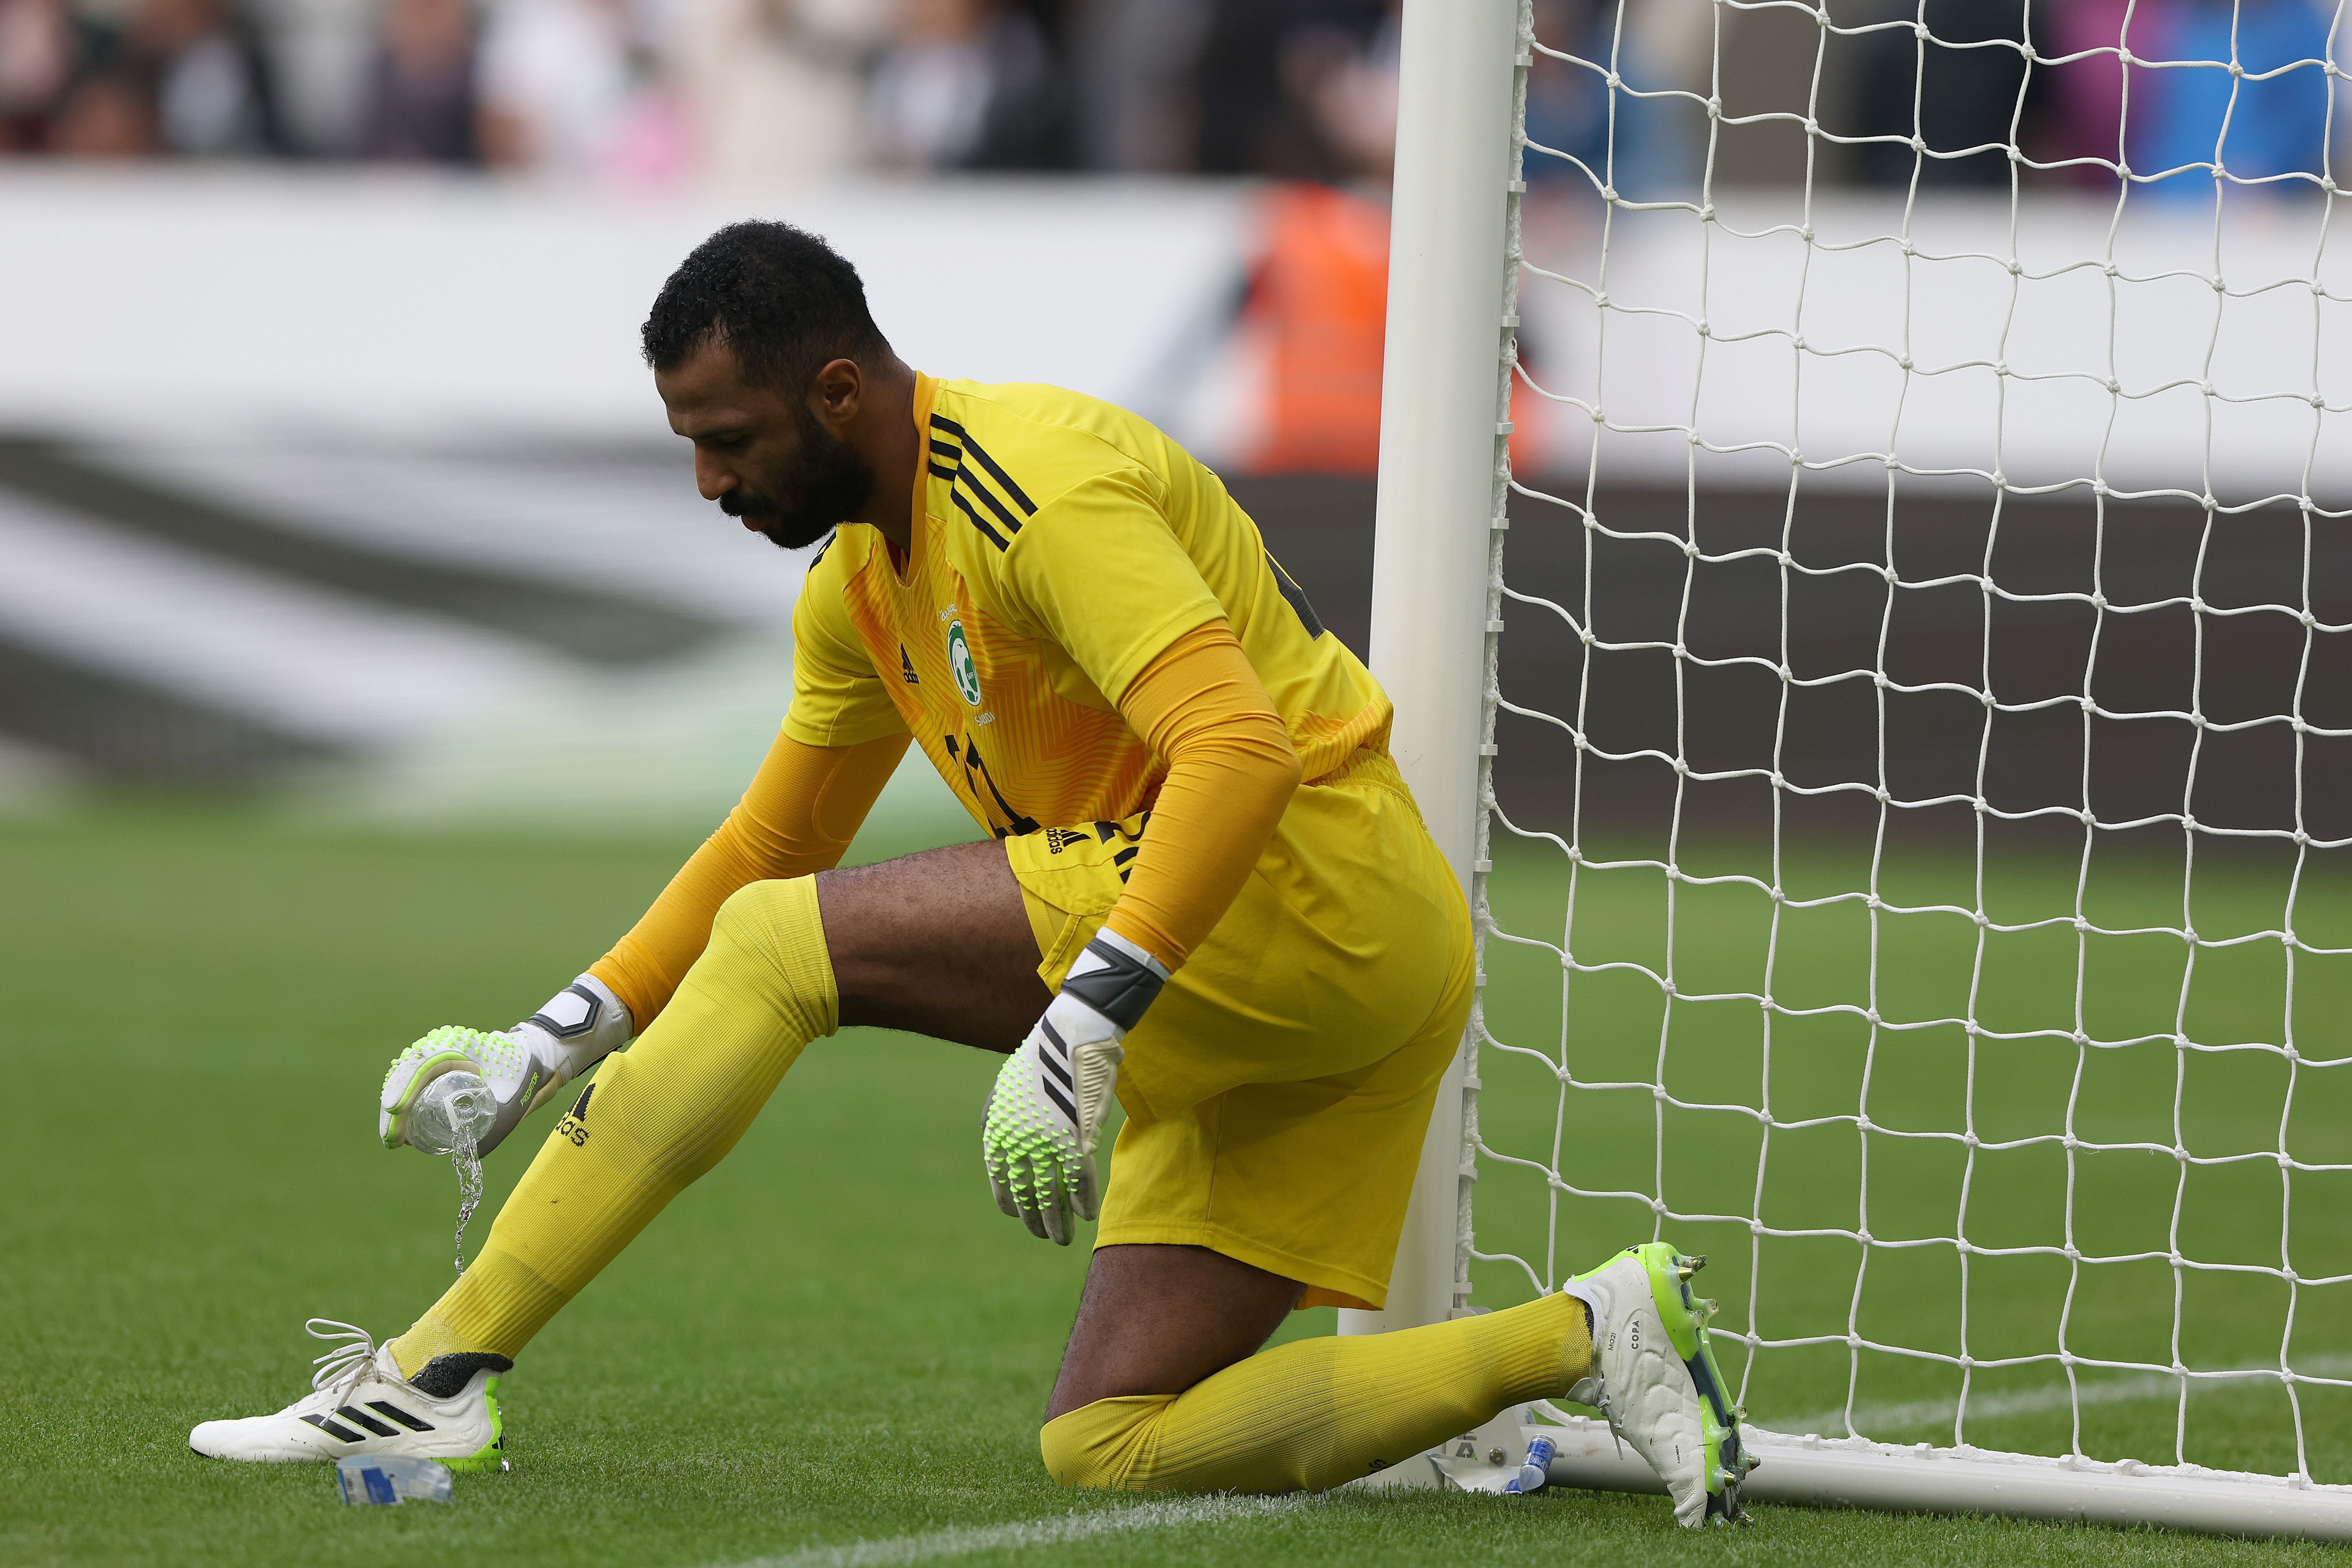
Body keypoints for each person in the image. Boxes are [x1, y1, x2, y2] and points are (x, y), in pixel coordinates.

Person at [183, 221, 1752, 1527]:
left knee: (779, 950)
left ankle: (436, 1380)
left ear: (841, 390)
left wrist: (1085, 1018)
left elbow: (1242, 753)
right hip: (1283, 980)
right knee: (1114, 1440)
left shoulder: (1031, 482)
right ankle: (1589, 1331)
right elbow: (768, 841)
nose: (710, 484)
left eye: (727, 440)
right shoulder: (857, 584)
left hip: (1309, 893)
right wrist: (552, 1037)